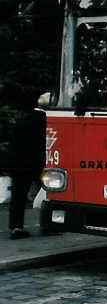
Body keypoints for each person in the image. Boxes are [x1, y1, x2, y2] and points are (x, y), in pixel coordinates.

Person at [1, 81, 46, 239]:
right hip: (35, 161)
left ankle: (16, 227)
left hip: (18, 162)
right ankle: (50, 223)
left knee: (18, 197)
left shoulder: (19, 118)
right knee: (50, 192)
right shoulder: (41, 117)